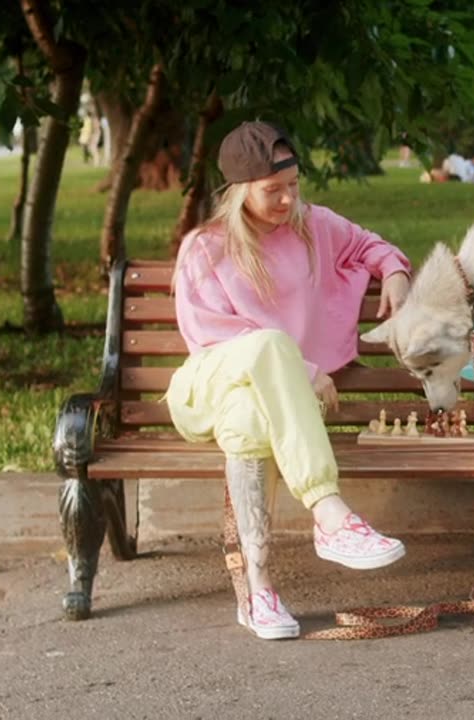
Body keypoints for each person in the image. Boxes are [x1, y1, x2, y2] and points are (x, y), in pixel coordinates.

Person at [168, 121, 412, 640]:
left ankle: (257, 589)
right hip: (205, 388)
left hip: (272, 406)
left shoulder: (314, 227)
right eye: (272, 191)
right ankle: (330, 513)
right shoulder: (205, 247)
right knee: (271, 344)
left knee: (251, 423)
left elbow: (371, 245)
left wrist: (394, 272)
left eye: (294, 186)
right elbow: (211, 334)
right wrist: (302, 371)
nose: (287, 200)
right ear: (239, 192)